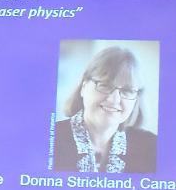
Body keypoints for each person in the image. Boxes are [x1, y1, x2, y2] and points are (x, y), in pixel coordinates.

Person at [52, 45, 156, 174]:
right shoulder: (50, 139)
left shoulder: (152, 148)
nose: (114, 100)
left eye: (127, 91)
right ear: (84, 87)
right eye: (105, 85)